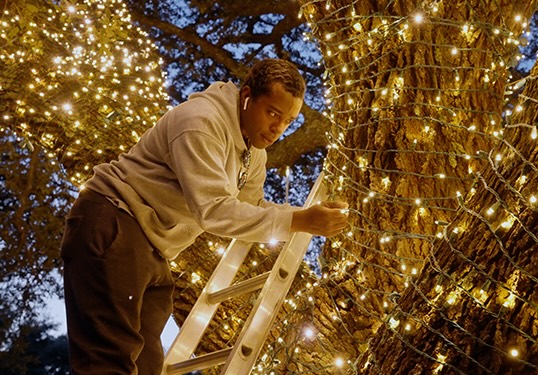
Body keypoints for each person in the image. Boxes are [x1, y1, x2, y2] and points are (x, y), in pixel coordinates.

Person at [59, 58, 348, 375]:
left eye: (289, 120)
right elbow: (213, 210)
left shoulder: (254, 154)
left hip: (155, 250)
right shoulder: (201, 122)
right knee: (107, 363)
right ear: (247, 96)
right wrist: (300, 222)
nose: (278, 128)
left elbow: (252, 207)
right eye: (273, 113)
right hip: (115, 222)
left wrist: (304, 215)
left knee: (145, 366)